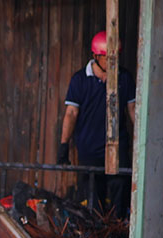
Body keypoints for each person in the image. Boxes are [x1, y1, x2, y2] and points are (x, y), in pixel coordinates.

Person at [57, 30, 135, 217]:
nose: (112, 62)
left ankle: (118, 229)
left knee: (120, 190)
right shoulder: (80, 80)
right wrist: (63, 145)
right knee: (93, 197)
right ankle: (96, 230)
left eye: (115, 57)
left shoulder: (124, 78)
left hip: (117, 146)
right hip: (89, 147)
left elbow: (133, 110)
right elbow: (71, 113)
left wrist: (143, 143)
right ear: (96, 56)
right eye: (108, 58)